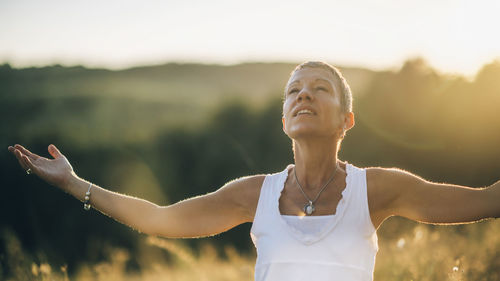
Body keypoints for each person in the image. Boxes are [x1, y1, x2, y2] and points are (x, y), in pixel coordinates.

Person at [8, 61, 500, 281]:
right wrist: (75, 185)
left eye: (319, 88)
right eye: (293, 90)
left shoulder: (379, 189)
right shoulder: (252, 195)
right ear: (284, 117)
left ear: (347, 120)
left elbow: (485, 201)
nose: (303, 94)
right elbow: (159, 218)